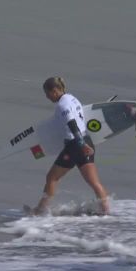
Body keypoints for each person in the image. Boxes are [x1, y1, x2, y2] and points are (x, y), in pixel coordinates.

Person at [28, 77, 110, 215]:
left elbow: (72, 124)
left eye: (47, 93)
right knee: (95, 183)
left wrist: (80, 144)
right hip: (87, 140)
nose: (47, 97)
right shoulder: (73, 98)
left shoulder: (62, 105)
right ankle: (107, 212)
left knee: (51, 178)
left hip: (76, 146)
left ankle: (40, 211)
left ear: (54, 91)